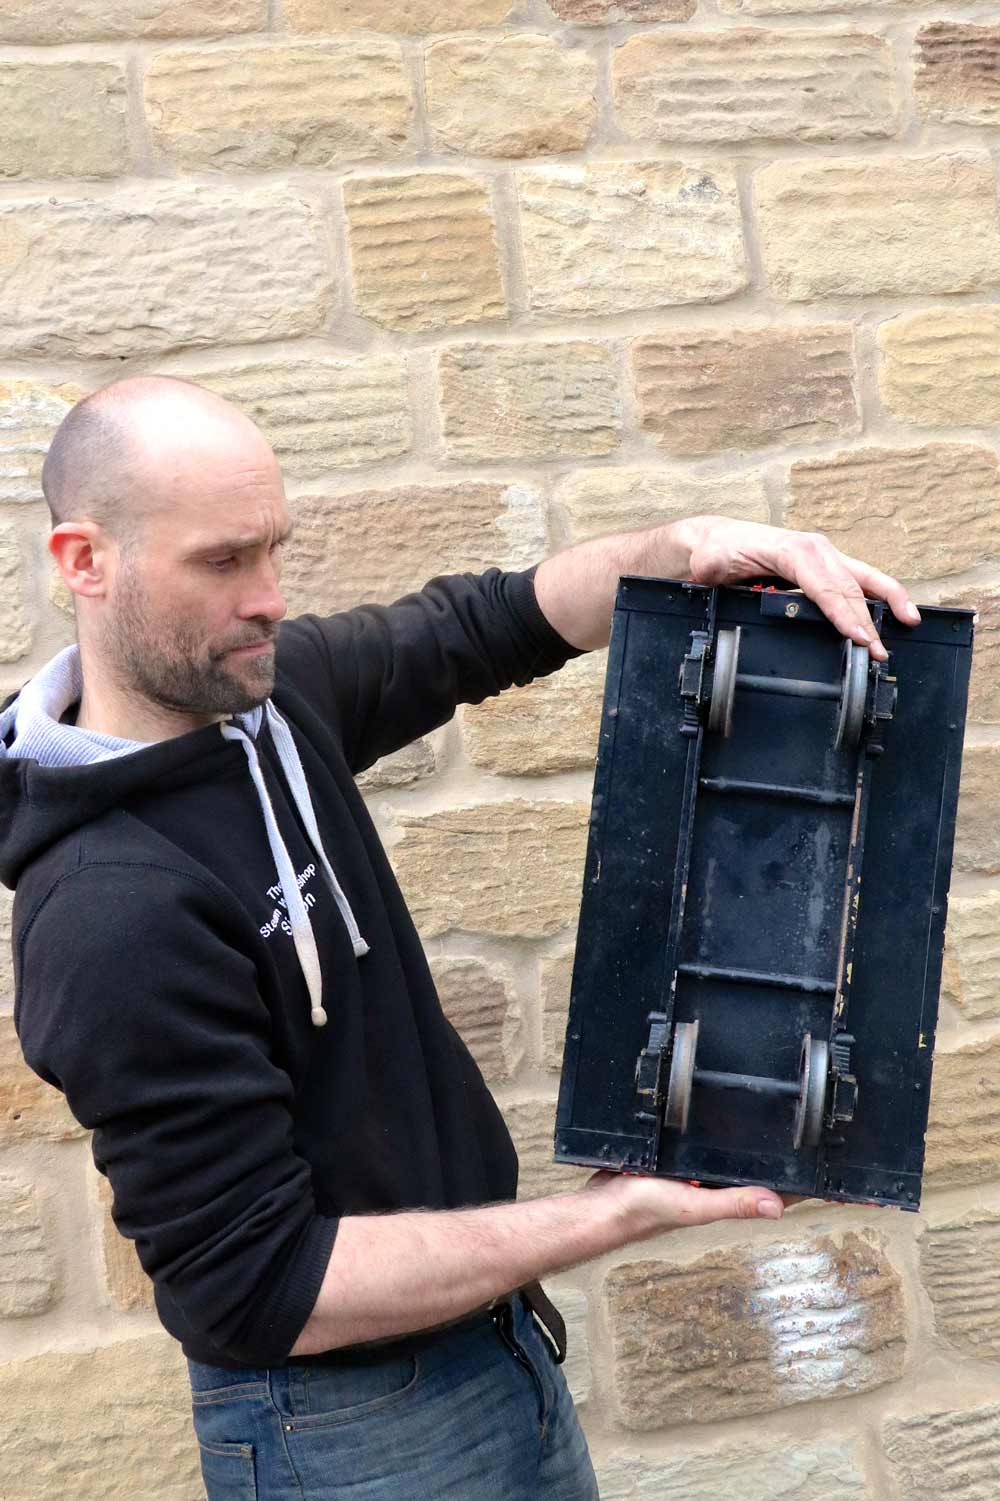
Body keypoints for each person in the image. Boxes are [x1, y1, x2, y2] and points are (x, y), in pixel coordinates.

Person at [1, 376, 919, 1500]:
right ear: (84, 561)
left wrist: (687, 549)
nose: (269, 599)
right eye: (224, 561)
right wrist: (603, 1217)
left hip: (496, 1349)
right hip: (349, 1435)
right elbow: (266, 1286)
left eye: (275, 550)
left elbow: (486, 624)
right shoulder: (108, 913)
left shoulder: (269, 704)